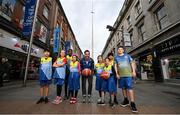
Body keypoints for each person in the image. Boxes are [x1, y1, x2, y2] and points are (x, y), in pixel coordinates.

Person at [114, 47, 138, 113]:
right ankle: (126, 100)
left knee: (130, 88)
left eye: (121, 49)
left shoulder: (127, 56)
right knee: (123, 88)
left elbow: (132, 63)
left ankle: (132, 103)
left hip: (128, 75)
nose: (120, 50)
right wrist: (117, 73)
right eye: (119, 49)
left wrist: (133, 71)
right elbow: (115, 66)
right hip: (121, 75)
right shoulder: (116, 57)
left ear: (123, 50)